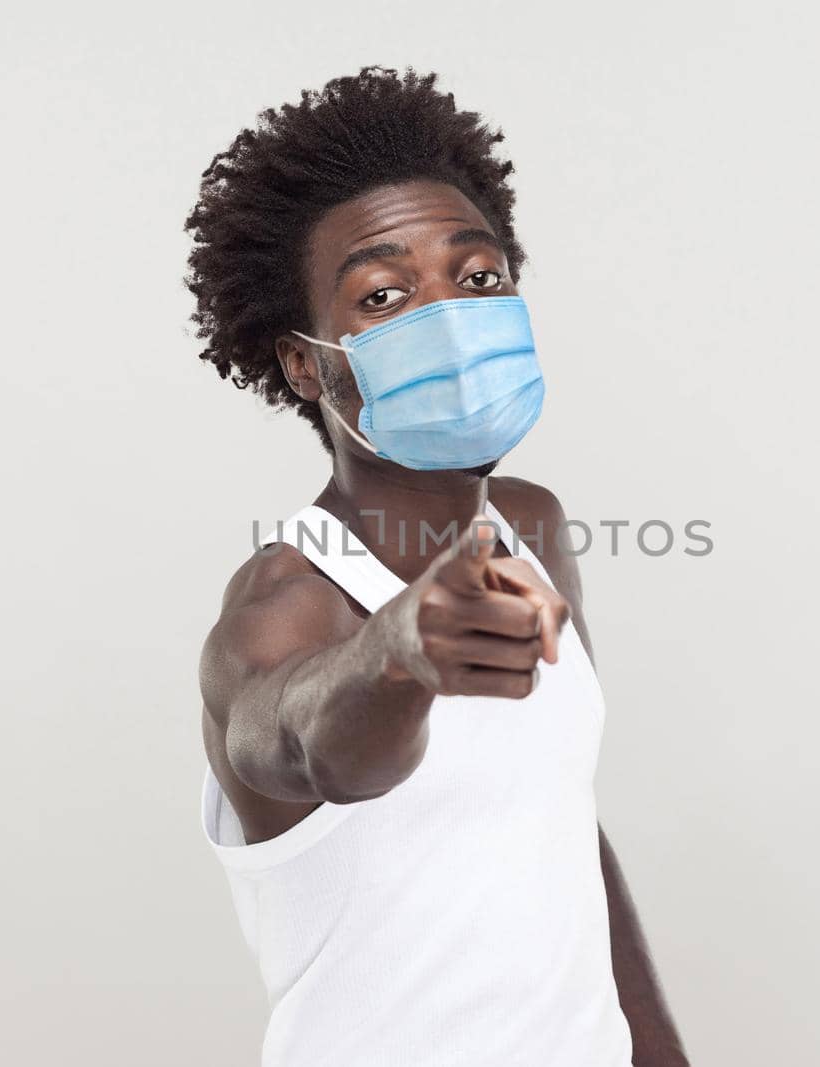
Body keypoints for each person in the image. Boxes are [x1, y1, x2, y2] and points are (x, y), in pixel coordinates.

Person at [185, 66, 688, 1066]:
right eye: (382, 294)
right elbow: (300, 740)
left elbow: (557, 825)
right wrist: (399, 649)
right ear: (304, 363)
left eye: (476, 276)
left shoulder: (530, 526)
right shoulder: (278, 610)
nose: (449, 317)